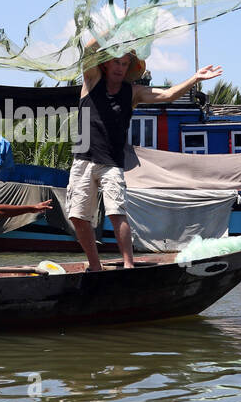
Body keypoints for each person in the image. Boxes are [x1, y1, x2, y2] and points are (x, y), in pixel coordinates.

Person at [69, 49, 222, 270]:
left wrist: (195, 78)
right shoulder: (92, 81)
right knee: (78, 217)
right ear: (105, 65)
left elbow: (168, 95)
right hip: (82, 160)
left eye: (125, 64)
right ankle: (95, 267)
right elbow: (90, 49)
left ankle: (129, 266)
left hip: (111, 163)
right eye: (117, 63)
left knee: (116, 212)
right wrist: (112, 31)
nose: (121, 68)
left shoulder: (133, 92)